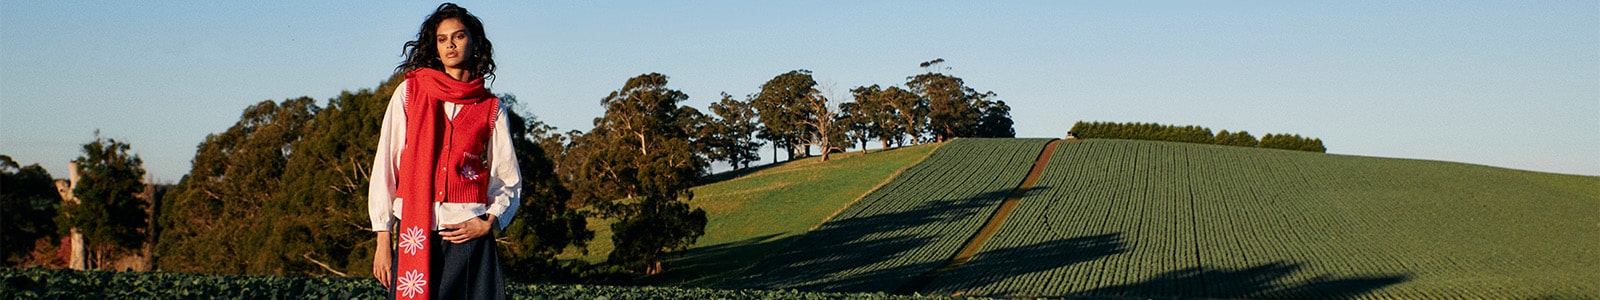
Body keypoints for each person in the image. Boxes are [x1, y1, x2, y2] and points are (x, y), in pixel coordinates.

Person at [368, 3, 520, 299]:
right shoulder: (410, 93)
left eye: (459, 36)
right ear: (434, 47)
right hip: (416, 233)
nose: (450, 44)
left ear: (475, 42)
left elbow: (508, 177)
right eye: (442, 39)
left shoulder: (491, 108)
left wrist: (489, 221)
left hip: (469, 236)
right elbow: (386, 167)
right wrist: (383, 240)